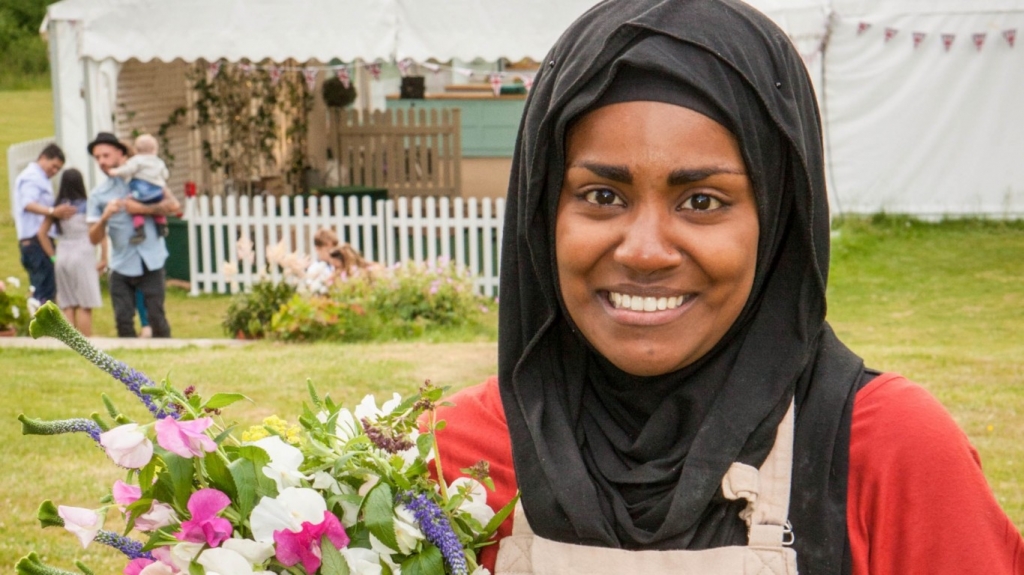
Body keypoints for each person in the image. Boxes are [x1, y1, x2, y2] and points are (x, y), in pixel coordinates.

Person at [429, 1, 1024, 574]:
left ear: (778, 223)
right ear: (541, 214)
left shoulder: (891, 454)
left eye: (702, 201)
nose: (644, 250)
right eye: (602, 196)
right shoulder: (452, 460)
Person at [86, 132, 179, 338]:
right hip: (121, 263)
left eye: (106, 155)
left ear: (120, 154)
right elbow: (92, 238)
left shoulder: (145, 179)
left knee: (156, 316)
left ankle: (169, 356)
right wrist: (104, 217)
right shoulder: (98, 194)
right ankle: (127, 367)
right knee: (122, 319)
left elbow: (173, 205)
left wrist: (141, 209)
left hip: (151, 260)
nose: (102, 161)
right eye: (97, 158)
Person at [36, 169, 106, 336]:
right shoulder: (87, 205)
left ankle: (69, 344)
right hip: (83, 253)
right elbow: (99, 233)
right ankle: (86, 344)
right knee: (85, 303)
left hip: (63, 253)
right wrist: (104, 257)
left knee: (67, 303)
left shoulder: (58, 208)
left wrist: (53, 256)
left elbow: (41, 234)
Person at [13, 143, 76, 303]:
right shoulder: (32, 177)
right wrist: (52, 211)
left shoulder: (40, 178)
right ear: (42, 157)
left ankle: (39, 325)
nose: (54, 171)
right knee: (43, 293)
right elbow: (28, 203)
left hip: (39, 242)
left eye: (58, 169)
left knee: (44, 289)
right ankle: (40, 327)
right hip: (35, 242)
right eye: (53, 166)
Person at [110, 134, 170, 244]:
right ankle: (161, 225)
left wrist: (115, 171)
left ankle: (139, 229)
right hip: (157, 192)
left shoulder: (136, 160)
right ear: (154, 150)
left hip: (141, 192)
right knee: (157, 204)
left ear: (136, 150)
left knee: (133, 204)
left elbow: (127, 170)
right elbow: (165, 175)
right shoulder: (159, 162)